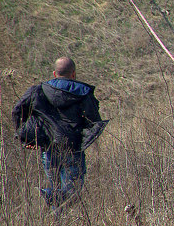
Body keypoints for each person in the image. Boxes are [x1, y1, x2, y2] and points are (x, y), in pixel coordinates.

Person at [12, 57, 107, 212]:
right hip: (73, 149)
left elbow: (17, 110)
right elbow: (94, 122)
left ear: (54, 74)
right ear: (74, 74)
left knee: (58, 192)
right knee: (73, 192)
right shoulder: (83, 93)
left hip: (48, 149)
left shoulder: (38, 91)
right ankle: (48, 195)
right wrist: (85, 139)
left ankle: (56, 219)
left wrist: (25, 137)